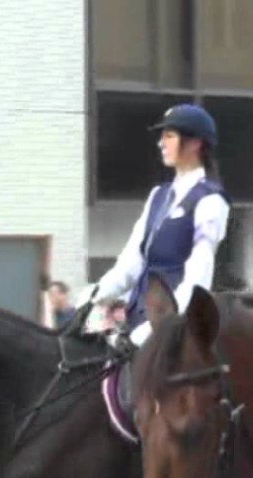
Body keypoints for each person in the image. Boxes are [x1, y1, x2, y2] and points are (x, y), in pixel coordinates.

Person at [90, 104, 230, 344]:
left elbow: (200, 272)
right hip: (137, 318)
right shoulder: (158, 195)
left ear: (195, 142)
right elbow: (133, 259)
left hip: (172, 329)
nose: (161, 143)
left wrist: (161, 325)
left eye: (169, 136)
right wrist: (97, 296)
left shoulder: (210, 200)